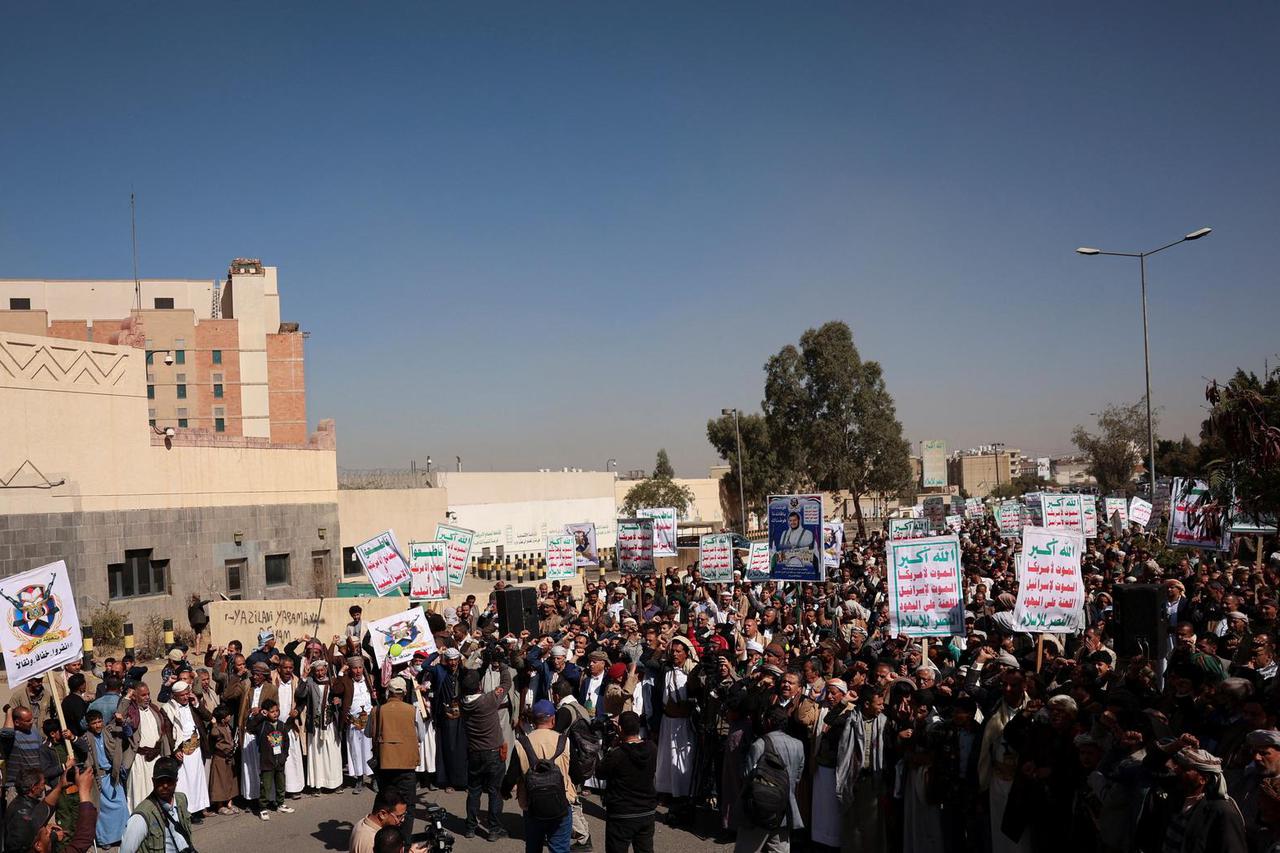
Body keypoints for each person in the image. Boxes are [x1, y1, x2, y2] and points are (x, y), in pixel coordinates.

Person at [503, 699, 574, 853]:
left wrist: (505, 791)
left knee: (533, 848)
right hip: (561, 804)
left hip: (532, 805)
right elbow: (577, 774)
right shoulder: (564, 741)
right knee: (560, 849)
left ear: (533, 721)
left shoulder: (521, 743)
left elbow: (511, 776)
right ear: (553, 720)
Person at [460, 663, 512, 841]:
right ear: (480, 686)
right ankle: (493, 829)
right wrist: (503, 665)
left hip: (474, 753)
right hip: (492, 753)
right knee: (494, 791)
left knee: (474, 791)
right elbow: (506, 684)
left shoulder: (462, 702)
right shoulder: (488, 700)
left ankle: (470, 827)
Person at [597, 710, 657, 853]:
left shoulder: (617, 754)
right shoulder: (652, 748)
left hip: (621, 813)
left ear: (620, 729)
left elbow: (600, 772)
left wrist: (612, 747)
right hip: (646, 811)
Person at [369, 678, 420, 842]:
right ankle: (403, 844)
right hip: (406, 766)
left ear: (388, 692)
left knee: (385, 805)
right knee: (408, 807)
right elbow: (422, 736)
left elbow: (368, 733)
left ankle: (384, 842)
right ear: (404, 693)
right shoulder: (413, 710)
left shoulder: (377, 710)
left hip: (385, 765)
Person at [224, 660, 278, 803]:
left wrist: (261, 709)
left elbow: (275, 709)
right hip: (247, 731)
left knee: (264, 765)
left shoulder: (271, 689)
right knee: (249, 766)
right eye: (253, 674)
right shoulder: (246, 685)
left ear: (264, 676)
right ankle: (251, 797)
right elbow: (227, 696)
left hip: (263, 732)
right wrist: (236, 676)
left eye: (258, 675)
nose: (254, 677)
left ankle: (266, 797)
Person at [120, 757, 195, 853]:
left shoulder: (182, 799)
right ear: (153, 781)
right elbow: (125, 850)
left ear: (176, 781)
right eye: (161, 781)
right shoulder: (141, 816)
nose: (165, 785)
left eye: (169, 780)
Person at [160, 680, 210, 822]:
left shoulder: (193, 704)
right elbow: (168, 732)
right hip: (182, 748)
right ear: (175, 695)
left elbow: (208, 717)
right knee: (184, 782)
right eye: (182, 695)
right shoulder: (167, 709)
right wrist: (174, 750)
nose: (185, 697)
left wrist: (197, 704)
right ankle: (187, 812)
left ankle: (198, 808)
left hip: (195, 746)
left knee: (197, 780)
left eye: (187, 693)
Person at [331, 655, 377, 792]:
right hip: (354, 721)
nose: (358, 671)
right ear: (350, 669)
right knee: (355, 751)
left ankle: (374, 778)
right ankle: (359, 779)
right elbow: (336, 690)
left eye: (360, 668)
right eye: (355, 668)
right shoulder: (345, 680)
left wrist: (375, 696)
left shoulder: (369, 680)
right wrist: (340, 672)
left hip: (369, 720)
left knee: (371, 750)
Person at [299, 658, 344, 794]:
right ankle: (317, 785)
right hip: (316, 724)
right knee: (317, 754)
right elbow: (300, 694)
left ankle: (335, 783)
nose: (319, 673)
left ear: (326, 669)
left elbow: (341, 695)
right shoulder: (310, 682)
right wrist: (304, 677)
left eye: (322, 670)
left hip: (330, 724)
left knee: (333, 753)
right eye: (317, 671)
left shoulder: (333, 681)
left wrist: (339, 701)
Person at [248, 698, 295, 821]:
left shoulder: (281, 725)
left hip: (280, 760)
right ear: (266, 712)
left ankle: (280, 803)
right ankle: (263, 808)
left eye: (277, 711)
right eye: (272, 711)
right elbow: (250, 728)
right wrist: (259, 716)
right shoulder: (262, 726)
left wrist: (284, 755)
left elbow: (286, 741)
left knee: (280, 783)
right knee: (266, 785)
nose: (275, 713)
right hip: (267, 761)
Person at [273, 656, 307, 799]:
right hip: (275, 727)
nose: (288, 670)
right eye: (285, 667)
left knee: (292, 757)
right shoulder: (273, 680)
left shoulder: (296, 681)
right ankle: (279, 789)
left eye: (291, 668)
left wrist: (297, 711)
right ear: (279, 668)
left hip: (291, 726)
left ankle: (294, 788)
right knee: (277, 756)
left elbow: (302, 700)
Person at [349, 788, 407, 853]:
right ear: (382, 814)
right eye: (398, 816)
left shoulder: (362, 822)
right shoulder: (373, 842)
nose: (402, 820)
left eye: (404, 815)